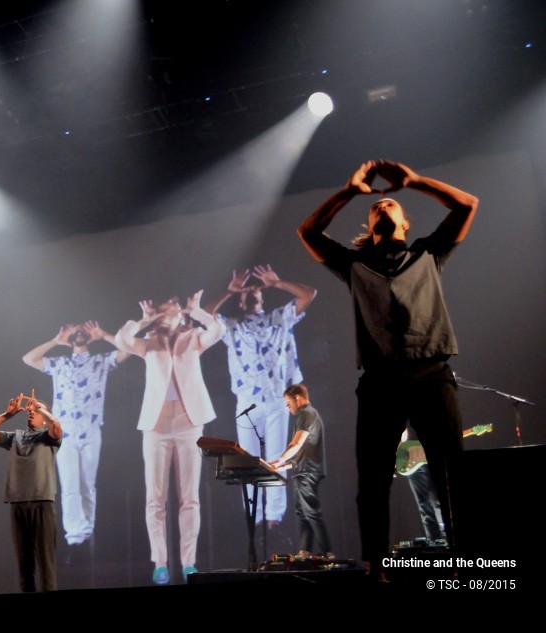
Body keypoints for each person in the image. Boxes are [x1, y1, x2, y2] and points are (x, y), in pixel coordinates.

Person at [297, 159, 478, 577]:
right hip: (380, 382)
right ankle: (376, 567)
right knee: (373, 483)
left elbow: (467, 205)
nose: (383, 206)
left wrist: (414, 181)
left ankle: (467, 565)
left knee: (452, 475)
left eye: (391, 205)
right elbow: (307, 233)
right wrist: (347, 191)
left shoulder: (428, 252)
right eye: (377, 206)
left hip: (431, 374)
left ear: (404, 222)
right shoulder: (353, 263)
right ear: (369, 221)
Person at [115, 291, 224, 585]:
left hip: (189, 422)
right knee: (155, 498)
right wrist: (143, 320)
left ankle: (189, 562)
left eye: (175, 308)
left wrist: (197, 311)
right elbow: (121, 340)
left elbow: (218, 329)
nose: (171, 311)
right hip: (156, 424)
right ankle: (160, 562)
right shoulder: (150, 343)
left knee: (190, 498)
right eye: (166, 309)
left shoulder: (193, 338)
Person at [205, 264, 316, 528]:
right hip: (247, 402)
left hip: (277, 399)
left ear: (262, 297)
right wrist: (229, 291)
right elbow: (205, 315)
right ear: (241, 301)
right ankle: (254, 514)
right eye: (246, 292)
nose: (251, 292)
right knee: (247, 459)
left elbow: (309, 294)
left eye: (255, 290)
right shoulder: (232, 327)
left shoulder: (279, 318)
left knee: (278, 455)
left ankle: (274, 516)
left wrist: (277, 283)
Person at [22, 320, 129, 546]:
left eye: (83, 332)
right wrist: (55, 341)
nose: (80, 334)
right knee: (70, 484)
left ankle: (87, 529)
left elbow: (128, 348)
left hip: (91, 431)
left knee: (87, 484)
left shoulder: (101, 361)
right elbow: (28, 359)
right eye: (76, 332)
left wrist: (104, 335)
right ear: (70, 338)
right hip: (65, 432)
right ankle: (74, 535)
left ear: (88, 337)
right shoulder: (59, 363)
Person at [0, 390, 63, 592]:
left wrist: (42, 407)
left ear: (45, 417)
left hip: (42, 502)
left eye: (36, 411)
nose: (31, 413)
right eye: (29, 411)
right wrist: (8, 415)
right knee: (25, 569)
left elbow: (57, 426)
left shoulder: (49, 437)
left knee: (46, 566)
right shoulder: (15, 438)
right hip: (17, 503)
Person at [270, 384, 332, 559]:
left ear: (297, 398)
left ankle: (327, 553)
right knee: (303, 513)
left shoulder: (306, 413)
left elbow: (296, 444)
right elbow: (302, 451)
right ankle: (305, 551)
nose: (287, 406)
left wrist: (280, 459)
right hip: (303, 470)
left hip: (308, 472)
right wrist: (283, 465)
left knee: (311, 512)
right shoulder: (308, 414)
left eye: (288, 401)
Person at [396, 428, 445, 541]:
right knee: (423, 503)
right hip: (412, 461)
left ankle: (447, 536)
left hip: (433, 458)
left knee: (437, 500)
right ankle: (433, 540)